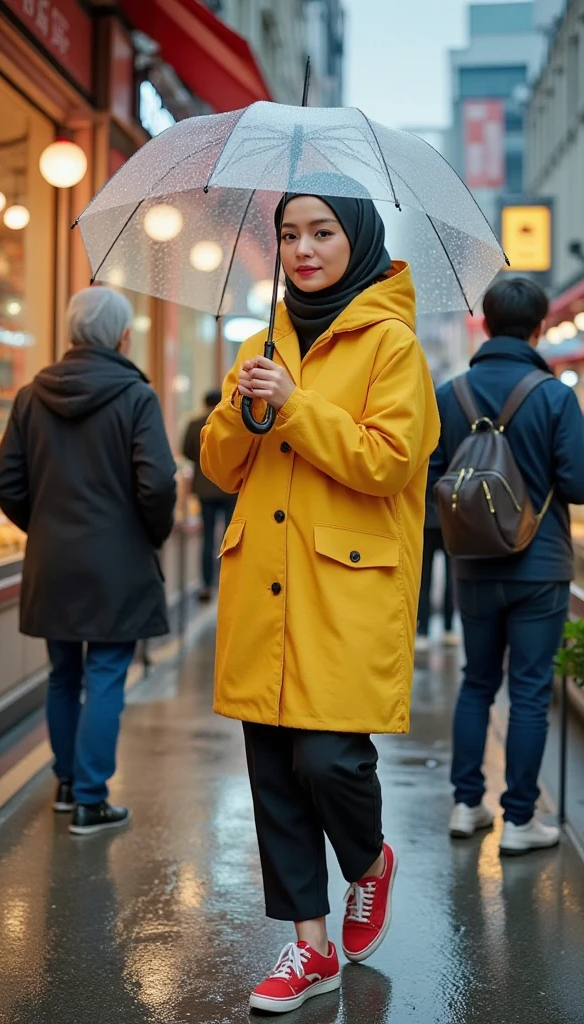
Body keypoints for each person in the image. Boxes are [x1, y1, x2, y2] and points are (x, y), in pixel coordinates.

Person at [201, 178, 439, 1014]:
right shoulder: (261, 340)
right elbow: (218, 465)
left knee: (328, 758)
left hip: (344, 587)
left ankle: (369, 862)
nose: (303, 251)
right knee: (272, 771)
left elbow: (388, 462)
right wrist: (243, 409)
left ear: (358, 240)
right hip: (261, 585)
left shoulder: (393, 345)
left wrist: (296, 407)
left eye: (323, 233)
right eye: (291, 235)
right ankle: (310, 947)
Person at [0, 287, 176, 836]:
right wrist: (150, 533)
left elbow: (7, 481)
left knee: (62, 674)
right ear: (122, 337)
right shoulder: (136, 396)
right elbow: (159, 481)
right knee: (105, 675)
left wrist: (44, 529)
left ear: (71, 334)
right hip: (117, 567)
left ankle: (69, 785)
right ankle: (92, 800)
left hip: (53, 563)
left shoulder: (30, 396)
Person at [428, 278, 584, 856]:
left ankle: (464, 803)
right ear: (540, 328)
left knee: (477, 683)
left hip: (473, 565)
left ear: (484, 323)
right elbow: (579, 485)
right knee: (529, 692)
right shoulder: (553, 396)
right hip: (540, 564)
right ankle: (520, 820)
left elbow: (428, 478)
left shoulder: (452, 394)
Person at [182, 390, 237, 602]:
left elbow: (186, 451)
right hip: (229, 487)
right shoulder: (228, 420)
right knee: (229, 538)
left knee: (207, 538)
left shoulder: (195, 423)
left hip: (204, 489)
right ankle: (225, 584)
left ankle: (205, 584)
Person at [415, 490, 457, 653]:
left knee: (424, 578)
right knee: (451, 576)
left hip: (425, 516)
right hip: (449, 516)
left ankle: (423, 630)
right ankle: (448, 628)